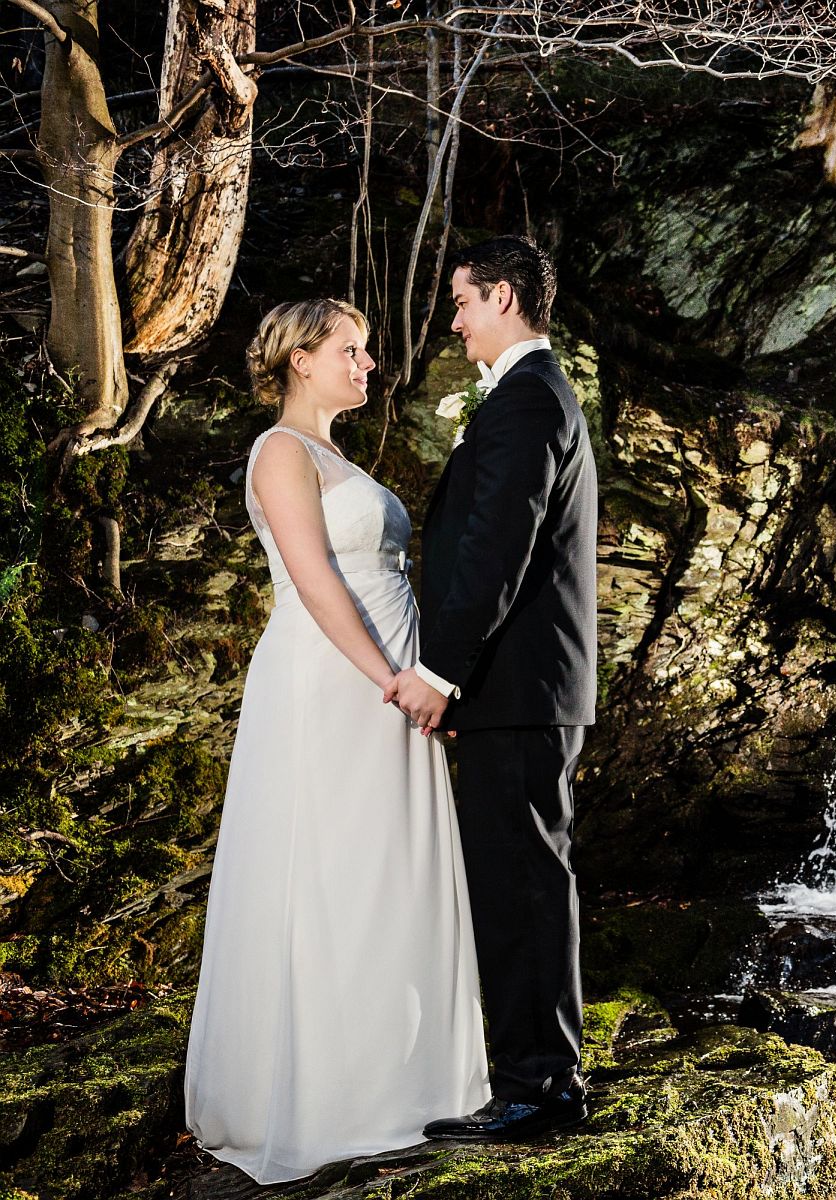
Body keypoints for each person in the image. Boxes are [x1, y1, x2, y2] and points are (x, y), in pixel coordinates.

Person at [185, 299, 489, 1184]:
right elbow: (314, 582)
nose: (367, 365)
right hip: (335, 679)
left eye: (365, 350)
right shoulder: (279, 451)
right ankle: (326, 1094)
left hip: (392, 681)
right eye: (350, 351)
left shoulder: (336, 455)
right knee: (334, 866)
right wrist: (387, 678)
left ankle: (396, 1074)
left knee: (387, 866)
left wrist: (419, 676)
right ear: (300, 359)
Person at [385, 235, 599, 1141]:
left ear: (503, 297)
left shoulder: (527, 400)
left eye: (465, 302)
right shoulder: (530, 398)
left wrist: (439, 673)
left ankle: (538, 1086)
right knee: (525, 878)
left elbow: (497, 549)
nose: (456, 319)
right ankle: (541, 1077)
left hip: (517, 689)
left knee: (520, 883)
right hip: (525, 691)